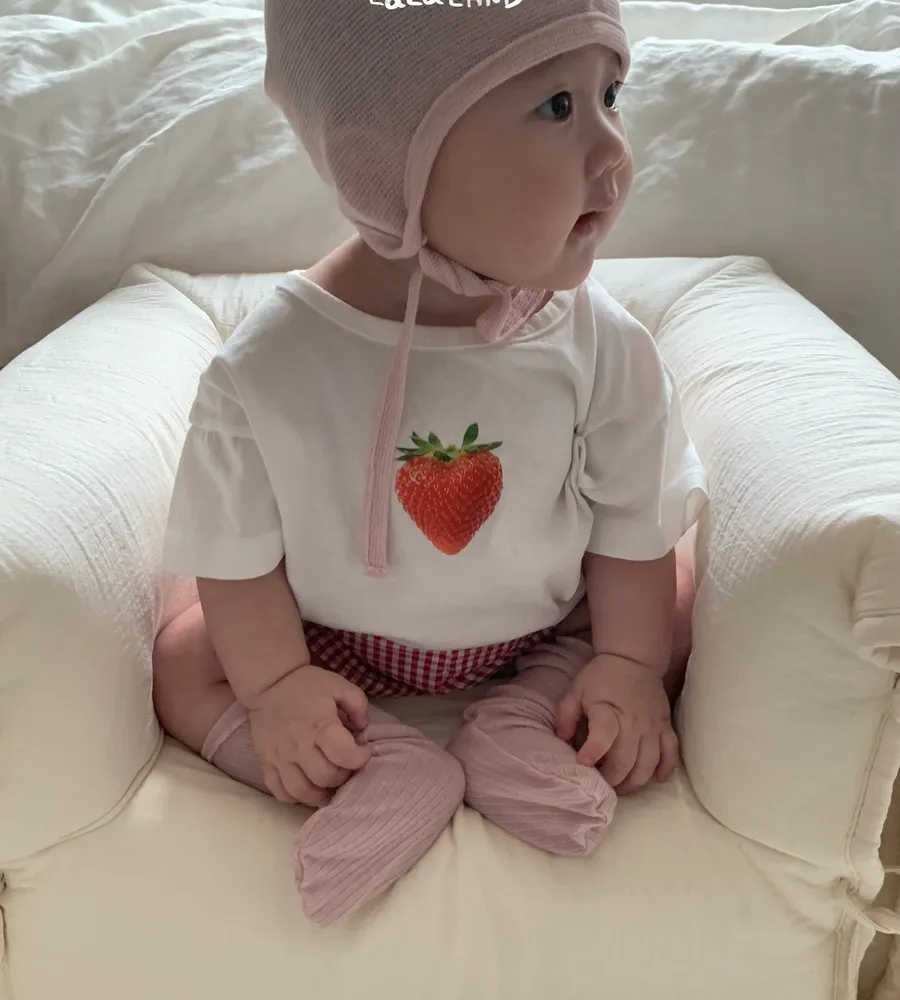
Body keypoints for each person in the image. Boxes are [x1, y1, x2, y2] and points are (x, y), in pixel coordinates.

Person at [153, 0, 708, 927]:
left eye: (610, 95)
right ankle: (374, 767)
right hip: (330, 640)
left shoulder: (598, 342)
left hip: (544, 629)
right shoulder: (272, 366)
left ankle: (525, 721)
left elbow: (631, 520)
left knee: (677, 597)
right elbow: (234, 558)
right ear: (392, 163)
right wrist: (279, 689)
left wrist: (627, 663)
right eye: (558, 108)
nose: (613, 150)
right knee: (186, 661)